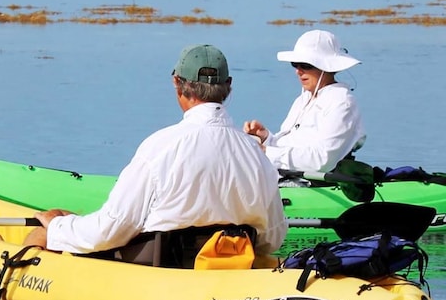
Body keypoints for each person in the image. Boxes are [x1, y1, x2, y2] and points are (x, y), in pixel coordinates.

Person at [21, 44, 287, 258]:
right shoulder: (257, 154)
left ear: (177, 83)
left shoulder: (160, 147)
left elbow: (112, 229)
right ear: (228, 86)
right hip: (228, 271)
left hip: (159, 275)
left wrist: (58, 225)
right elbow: (273, 237)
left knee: (45, 234)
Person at [243, 29, 365, 174]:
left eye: (306, 65)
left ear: (327, 67)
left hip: (316, 184)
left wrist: (266, 152)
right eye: (295, 64)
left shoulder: (342, 102)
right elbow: (292, 147)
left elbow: (323, 161)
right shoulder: (303, 99)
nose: (298, 71)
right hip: (287, 177)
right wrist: (267, 139)